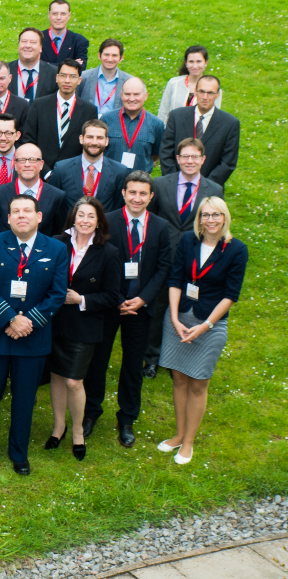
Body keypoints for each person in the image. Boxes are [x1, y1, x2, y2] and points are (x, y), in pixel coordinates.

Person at [0, 195, 69, 475]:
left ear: (39, 217)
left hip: (33, 336)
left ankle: (18, 452)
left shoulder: (57, 249)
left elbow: (57, 294)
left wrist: (27, 322)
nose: (22, 215)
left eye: (27, 211)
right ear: (8, 218)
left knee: (24, 398)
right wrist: (10, 318)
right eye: (16, 211)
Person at [85, 171, 173, 447]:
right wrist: (117, 298)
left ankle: (127, 418)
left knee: (133, 365)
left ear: (151, 196)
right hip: (110, 305)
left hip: (140, 308)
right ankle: (90, 413)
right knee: (98, 362)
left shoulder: (161, 226)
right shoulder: (108, 221)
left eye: (143, 193)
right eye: (132, 192)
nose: (137, 198)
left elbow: (163, 268)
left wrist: (143, 299)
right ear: (123, 193)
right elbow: (98, 263)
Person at [157, 197, 247, 465]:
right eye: (205, 215)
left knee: (198, 383)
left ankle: (188, 442)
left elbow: (231, 295)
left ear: (225, 217)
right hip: (180, 317)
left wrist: (206, 325)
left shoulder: (237, 249)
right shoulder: (188, 241)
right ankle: (179, 434)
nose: (210, 220)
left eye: (216, 214)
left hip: (210, 324)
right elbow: (176, 279)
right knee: (178, 379)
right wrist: (174, 318)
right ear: (199, 219)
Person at [45, 198, 123, 462]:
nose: (85, 220)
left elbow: (112, 296)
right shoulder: (57, 243)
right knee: (56, 377)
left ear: (98, 221)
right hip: (54, 321)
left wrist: (81, 300)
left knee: (73, 381)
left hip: (84, 325)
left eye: (91, 216)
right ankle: (59, 427)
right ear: (73, 218)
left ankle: (78, 431)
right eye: (81, 215)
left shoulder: (109, 252)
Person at [159, 75, 238, 186]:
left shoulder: (229, 124)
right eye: (201, 91)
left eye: (210, 93)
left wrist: (204, 186)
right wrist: (175, 181)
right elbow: (166, 151)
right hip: (174, 185)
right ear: (195, 92)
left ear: (218, 95)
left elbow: (228, 162)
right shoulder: (177, 116)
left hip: (209, 189)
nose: (205, 97)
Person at [25, 59, 96, 177]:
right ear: (57, 78)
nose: (67, 80)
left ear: (79, 80)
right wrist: (45, 172)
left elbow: (89, 145)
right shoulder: (39, 105)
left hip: (73, 175)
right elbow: (29, 140)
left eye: (72, 76)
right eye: (63, 75)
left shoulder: (89, 111)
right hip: (41, 173)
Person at [0, 143, 68, 237]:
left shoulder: (57, 196)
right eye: (22, 160)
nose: (27, 164)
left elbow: (58, 234)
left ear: (41, 164)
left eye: (32, 160)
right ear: (15, 165)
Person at [46, 119, 129, 213]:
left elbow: (119, 208)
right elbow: (52, 204)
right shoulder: (61, 169)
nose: (94, 142)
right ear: (81, 139)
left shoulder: (120, 172)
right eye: (90, 137)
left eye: (99, 138)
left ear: (106, 141)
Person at [153, 138, 225, 243]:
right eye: (185, 156)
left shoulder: (215, 190)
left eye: (195, 157)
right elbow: (150, 216)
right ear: (178, 159)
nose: (190, 161)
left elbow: (219, 224)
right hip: (163, 247)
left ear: (203, 159)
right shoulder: (159, 184)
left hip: (196, 247)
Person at [101, 77, 163, 173]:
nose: (131, 99)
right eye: (127, 94)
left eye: (136, 94)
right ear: (121, 95)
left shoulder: (157, 124)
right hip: (110, 177)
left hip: (140, 179)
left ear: (145, 96)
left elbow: (155, 154)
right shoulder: (106, 119)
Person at [158, 45, 221, 121]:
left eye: (199, 61)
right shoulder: (174, 83)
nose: (195, 66)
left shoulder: (213, 87)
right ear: (186, 63)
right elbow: (163, 113)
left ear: (206, 62)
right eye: (191, 61)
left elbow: (214, 117)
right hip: (173, 128)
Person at [77, 38, 131, 114]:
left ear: (121, 58)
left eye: (114, 55)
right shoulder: (83, 77)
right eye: (106, 54)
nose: (110, 59)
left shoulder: (129, 82)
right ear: (99, 55)